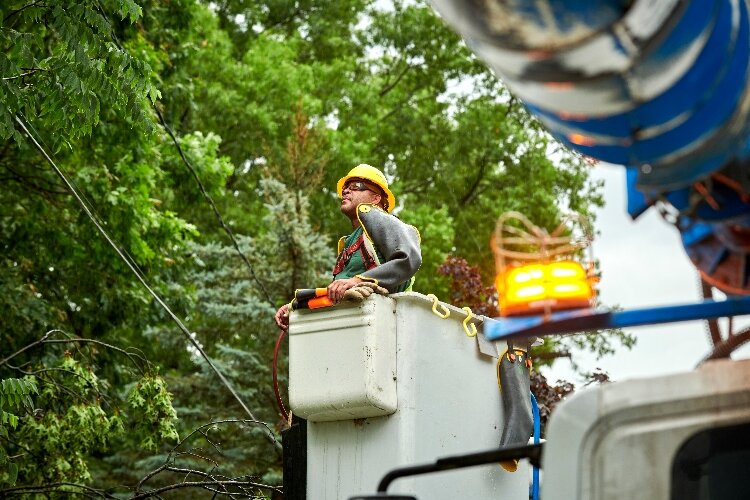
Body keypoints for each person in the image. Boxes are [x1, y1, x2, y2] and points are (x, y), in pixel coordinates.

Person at [274, 164, 422, 330]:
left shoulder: (381, 218)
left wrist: (356, 281)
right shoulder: (353, 240)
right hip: (354, 324)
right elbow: (337, 292)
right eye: (345, 187)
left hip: (382, 324)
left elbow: (408, 259)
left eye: (356, 187)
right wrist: (296, 307)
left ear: (376, 198)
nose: (345, 191)